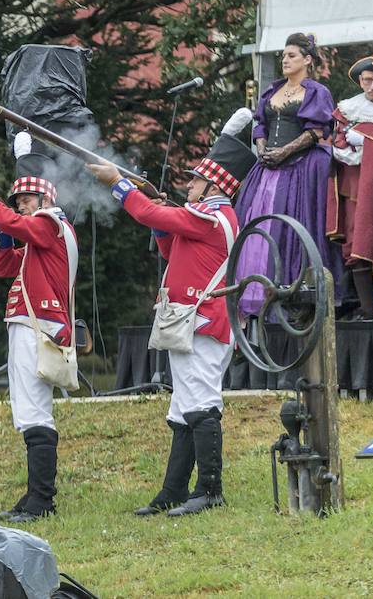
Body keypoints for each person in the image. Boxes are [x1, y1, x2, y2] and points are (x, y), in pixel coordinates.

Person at [87, 107, 255, 516]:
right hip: (189, 320)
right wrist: (162, 222)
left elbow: (146, 212)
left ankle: (210, 491)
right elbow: (169, 248)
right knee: (183, 408)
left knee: (199, 402)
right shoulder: (206, 217)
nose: (190, 184)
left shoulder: (214, 216)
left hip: (202, 321)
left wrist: (120, 185)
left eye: (196, 179)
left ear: (211, 185)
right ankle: (174, 491)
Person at [0, 131, 77, 522]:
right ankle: (34, 497)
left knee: (36, 412)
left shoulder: (50, 223)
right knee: (28, 410)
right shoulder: (38, 232)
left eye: (27, 200)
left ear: (46, 199)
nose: (22, 206)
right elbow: (5, 268)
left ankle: (43, 500)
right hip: (28, 322)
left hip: (37, 324)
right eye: (19, 202)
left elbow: (26, 229)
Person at [234, 32, 341, 318]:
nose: (285, 59)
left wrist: (284, 152)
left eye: (291, 55)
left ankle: (293, 293)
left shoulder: (317, 92)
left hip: (301, 168)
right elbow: (259, 124)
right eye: (283, 55)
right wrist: (262, 148)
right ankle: (253, 292)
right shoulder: (272, 90)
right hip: (267, 168)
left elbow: (316, 132)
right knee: (256, 224)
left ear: (307, 60)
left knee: (295, 225)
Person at [328, 54, 373, 319]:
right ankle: (368, 311)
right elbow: (337, 146)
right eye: (367, 80)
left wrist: (367, 141)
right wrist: (355, 145)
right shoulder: (348, 110)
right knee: (358, 242)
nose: (372, 86)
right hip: (356, 188)